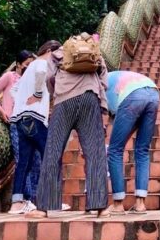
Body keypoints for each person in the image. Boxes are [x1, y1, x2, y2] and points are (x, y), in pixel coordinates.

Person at [34, 33, 110, 219]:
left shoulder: (57, 54)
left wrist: (57, 94)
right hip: (89, 98)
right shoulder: (95, 53)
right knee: (95, 152)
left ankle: (44, 208)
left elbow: (48, 79)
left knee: (53, 151)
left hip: (64, 102)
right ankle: (100, 206)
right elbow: (104, 82)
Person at [8, 43, 55, 215]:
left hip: (20, 118)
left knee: (24, 162)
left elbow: (14, 90)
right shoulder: (41, 63)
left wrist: (23, 102)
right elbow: (42, 72)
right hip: (35, 118)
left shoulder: (27, 71)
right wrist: (37, 95)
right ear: (50, 51)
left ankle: (17, 202)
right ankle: (51, 200)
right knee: (50, 156)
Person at [106, 70, 160, 215]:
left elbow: (113, 117)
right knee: (142, 150)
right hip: (153, 93)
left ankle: (118, 204)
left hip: (131, 97)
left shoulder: (99, 85)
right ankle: (140, 204)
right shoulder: (113, 76)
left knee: (114, 150)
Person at [0, 50, 39, 201]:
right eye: (27, 65)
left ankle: (35, 199)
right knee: (23, 159)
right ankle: (26, 199)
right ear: (18, 64)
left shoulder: (32, 80)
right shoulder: (10, 77)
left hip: (32, 122)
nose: (29, 68)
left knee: (36, 161)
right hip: (16, 122)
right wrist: (2, 111)